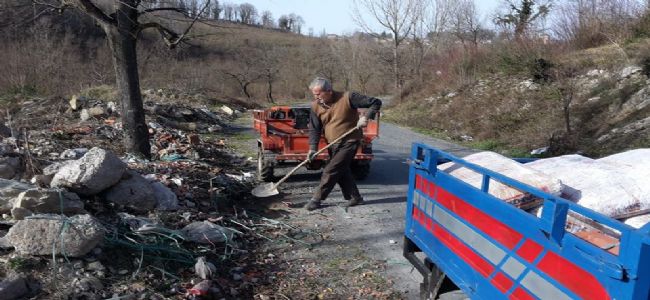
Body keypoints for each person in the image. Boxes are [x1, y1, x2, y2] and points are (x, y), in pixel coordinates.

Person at [305, 77, 382, 211]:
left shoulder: (348, 97)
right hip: (332, 143)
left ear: (329, 91)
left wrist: (365, 117)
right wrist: (312, 148)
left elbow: (376, 102)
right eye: (314, 94)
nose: (316, 97)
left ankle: (316, 199)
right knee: (342, 170)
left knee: (331, 169)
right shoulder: (315, 106)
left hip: (350, 141)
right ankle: (355, 198)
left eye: (319, 94)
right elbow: (314, 128)